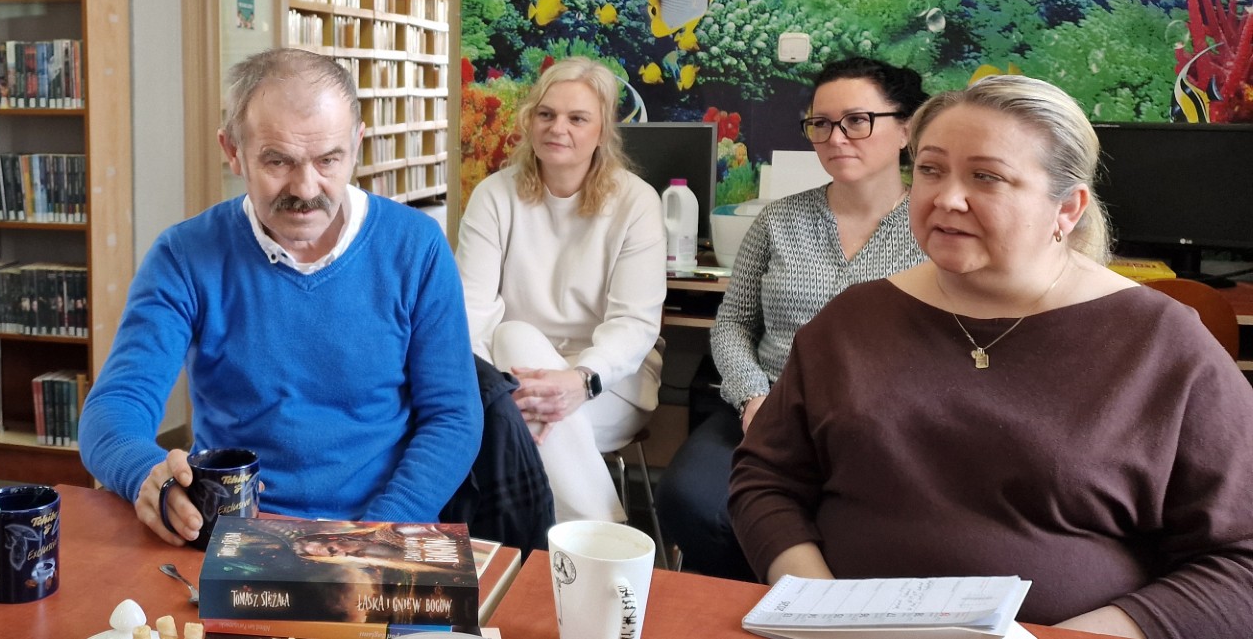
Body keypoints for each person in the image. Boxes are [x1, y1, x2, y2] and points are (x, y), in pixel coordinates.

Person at [731, 76, 1253, 638]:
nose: (946, 198)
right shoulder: (851, 320)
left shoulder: (1163, 344)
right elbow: (766, 480)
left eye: (986, 177)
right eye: (930, 170)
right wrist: (822, 611)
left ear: (1067, 208)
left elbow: (1239, 562)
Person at [79, 48, 480, 546]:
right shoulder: (185, 255)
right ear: (233, 151)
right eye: (278, 161)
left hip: (379, 525)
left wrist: (378, 532)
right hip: (233, 531)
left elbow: (454, 417)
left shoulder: (416, 247)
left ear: (357, 145)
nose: (306, 189)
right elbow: (115, 406)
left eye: (328, 160)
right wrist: (146, 473)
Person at [656, 56, 928, 578]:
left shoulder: (934, 229)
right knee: (690, 499)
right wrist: (752, 396)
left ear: (906, 129)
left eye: (857, 120)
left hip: (878, 426)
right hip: (770, 410)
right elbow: (733, 323)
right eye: (820, 123)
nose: (835, 137)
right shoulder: (778, 219)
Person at [455, 57, 665, 525]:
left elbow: (633, 325)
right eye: (546, 114)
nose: (557, 128)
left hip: (608, 383)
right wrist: (490, 393)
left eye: (577, 118)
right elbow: (470, 312)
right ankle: (606, 542)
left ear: (603, 131)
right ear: (530, 120)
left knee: (523, 424)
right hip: (511, 375)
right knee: (514, 337)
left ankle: (567, 546)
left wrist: (580, 380)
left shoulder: (636, 202)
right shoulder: (494, 196)